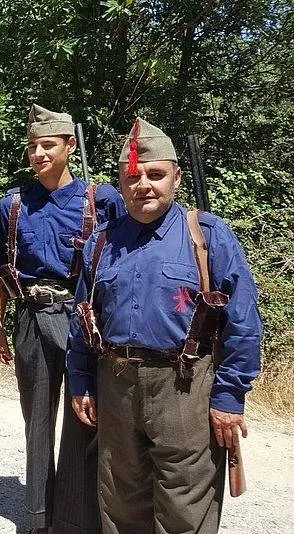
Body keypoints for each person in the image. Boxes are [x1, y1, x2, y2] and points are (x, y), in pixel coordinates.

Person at [66, 118, 262, 533]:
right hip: (115, 381)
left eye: (155, 175)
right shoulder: (102, 241)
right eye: (132, 176)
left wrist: (228, 397)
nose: (144, 186)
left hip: (184, 385)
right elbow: (82, 317)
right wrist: (82, 382)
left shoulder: (206, 237)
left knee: (184, 500)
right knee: (120, 497)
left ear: (175, 176)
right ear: (120, 182)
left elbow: (242, 322)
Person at [0, 104, 126, 534]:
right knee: (38, 421)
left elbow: (121, 261)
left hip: (82, 319)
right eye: (33, 146)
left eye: (48, 145)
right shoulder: (14, 203)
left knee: (87, 415)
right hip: (31, 316)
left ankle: (81, 516)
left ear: (69, 146)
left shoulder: (101, 199)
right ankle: (38, 518)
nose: (39, 153)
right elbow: (0, 266)